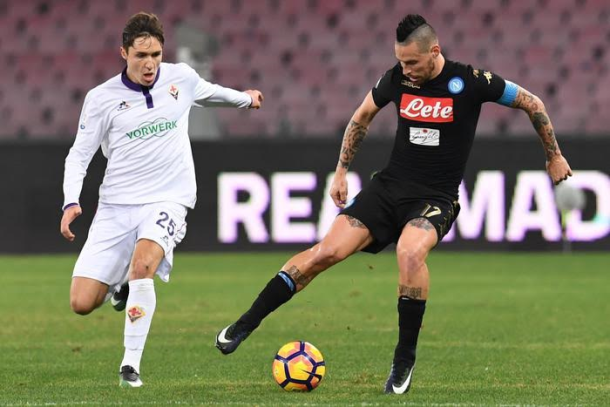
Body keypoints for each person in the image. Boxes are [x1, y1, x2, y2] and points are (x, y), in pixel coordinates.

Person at [215, 14, 572, 394]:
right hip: (387, 190)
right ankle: (245, 324)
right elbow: (361, 117)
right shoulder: (396, 79)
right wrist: (341, 171)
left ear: (434, 51)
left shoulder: (470, 81)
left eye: (412, 62)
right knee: (326, 252)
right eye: (401, 61)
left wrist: (553, 155)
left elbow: (532, 103)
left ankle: (403, 362)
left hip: (435, 198)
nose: (406, 70)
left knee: (409, 253)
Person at [60, 12, 263, 388]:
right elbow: (79, 155)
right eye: (141, 55)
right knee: (82, 302)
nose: (149, 63)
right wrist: (71, 201)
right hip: (117, 205)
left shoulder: (180, 78)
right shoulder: (101, 99)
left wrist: (246, 100)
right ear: (124, 53)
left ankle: (130, 365)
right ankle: (120, 286)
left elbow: (211, 93)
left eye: (155, 54)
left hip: (169, 198)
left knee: (144, 266)